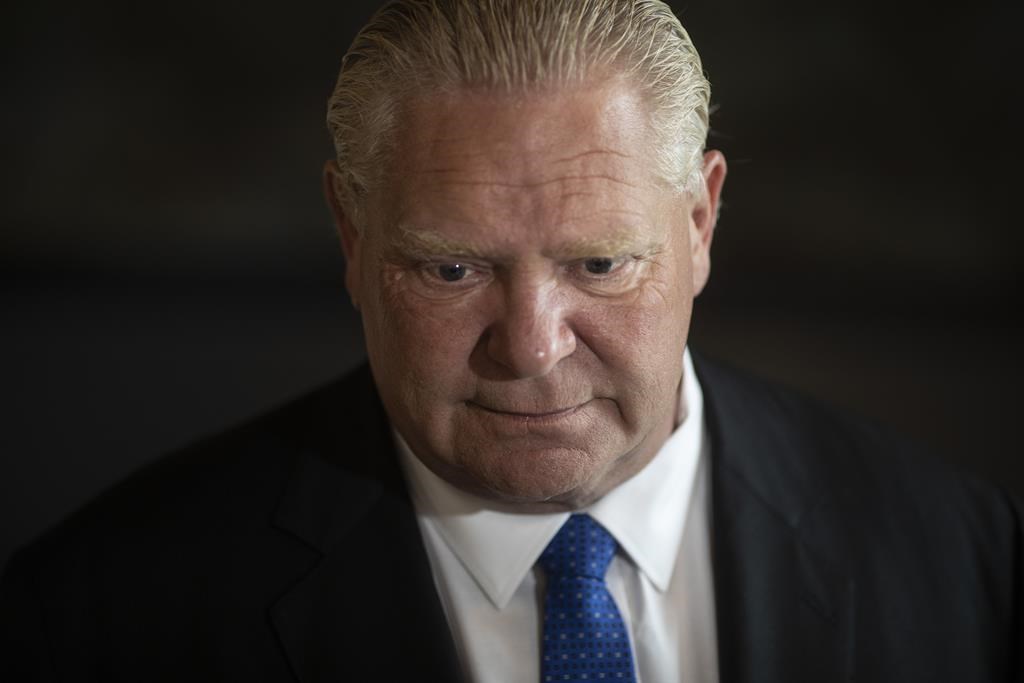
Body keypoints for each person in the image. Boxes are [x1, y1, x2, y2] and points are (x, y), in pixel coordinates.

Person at [1, 0, 1020, 681]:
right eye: (452, 268)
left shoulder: (971, 567)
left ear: (700, 223)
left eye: (600, 263)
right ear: (352, 236)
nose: (530, 348)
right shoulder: (98, 615)